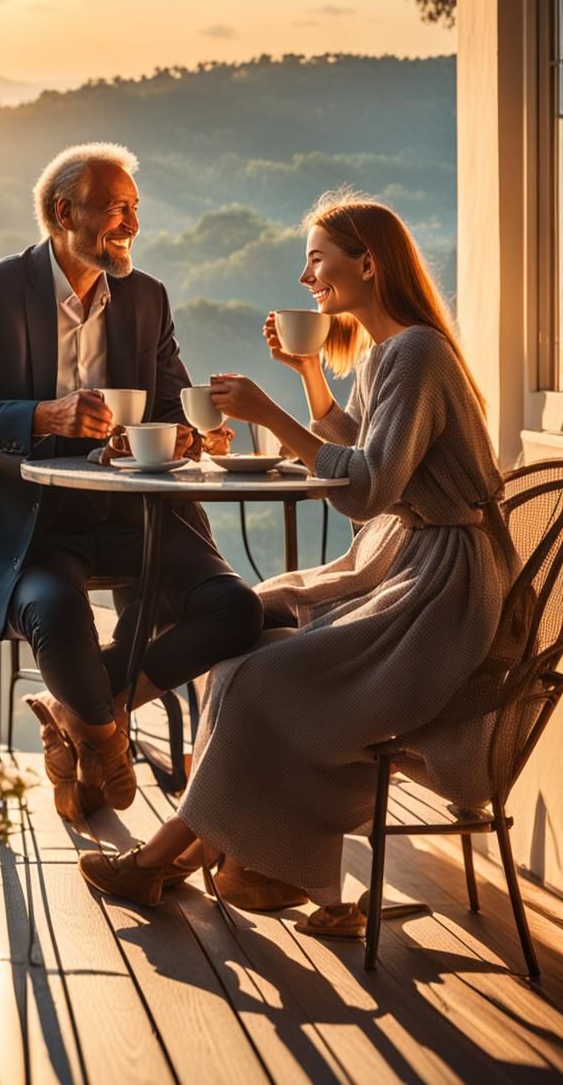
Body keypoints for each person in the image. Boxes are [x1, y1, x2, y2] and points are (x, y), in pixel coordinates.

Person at [79, 191, 521, 933]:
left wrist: (270, 417)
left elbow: (370, 488)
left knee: (260, 678)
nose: (305, 274)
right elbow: (366, 447)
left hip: (442, 592)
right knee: (251, 624)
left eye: (317, 256)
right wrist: (311, 373)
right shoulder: (389, 352)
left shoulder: (416, 352)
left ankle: (166, 859)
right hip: (412, 561)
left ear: (368, 263)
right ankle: (237, 858)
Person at [0, 142, 263, 822]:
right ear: (61, 212)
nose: (130, 224)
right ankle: (103, 738)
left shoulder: (147, 298)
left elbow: (168, 407)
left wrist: (190, 433)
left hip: (139, 520)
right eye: (114, 208)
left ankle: (77, 713)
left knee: (237, 611)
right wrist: (43, 414)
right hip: (35, 530)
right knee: (58, 612)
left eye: (134, 208)